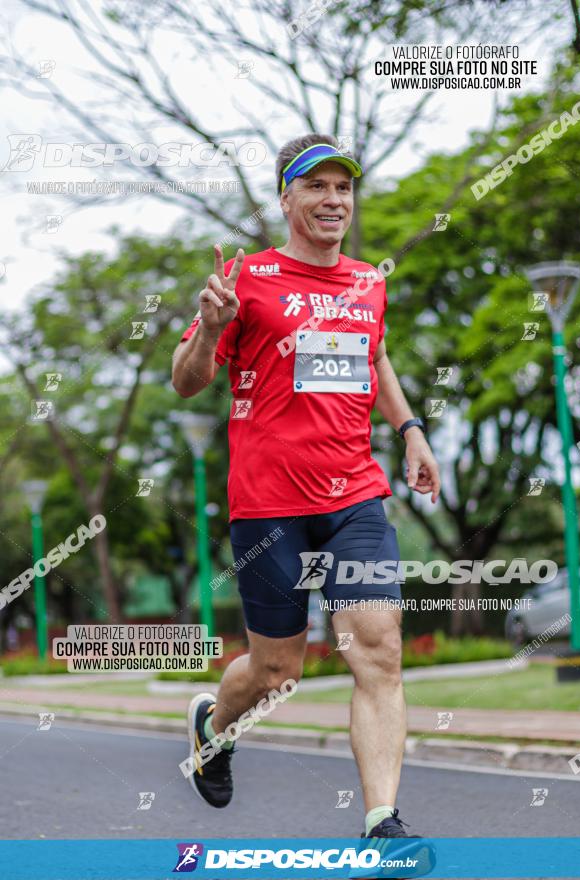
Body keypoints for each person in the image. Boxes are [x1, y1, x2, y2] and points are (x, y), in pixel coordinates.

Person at [172, 133, 441, 843]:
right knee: (276, 670)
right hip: (268, 503)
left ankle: (381, 819)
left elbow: (373, 354)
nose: (332, 200)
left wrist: (410, 429)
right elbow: (186, 379)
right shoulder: (243, 278)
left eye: (342, 187)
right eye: (315, 186)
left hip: (355, 493)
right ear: (285, 197)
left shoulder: (366, 282)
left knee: (377, 649)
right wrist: (208, 328)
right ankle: (213, 727)